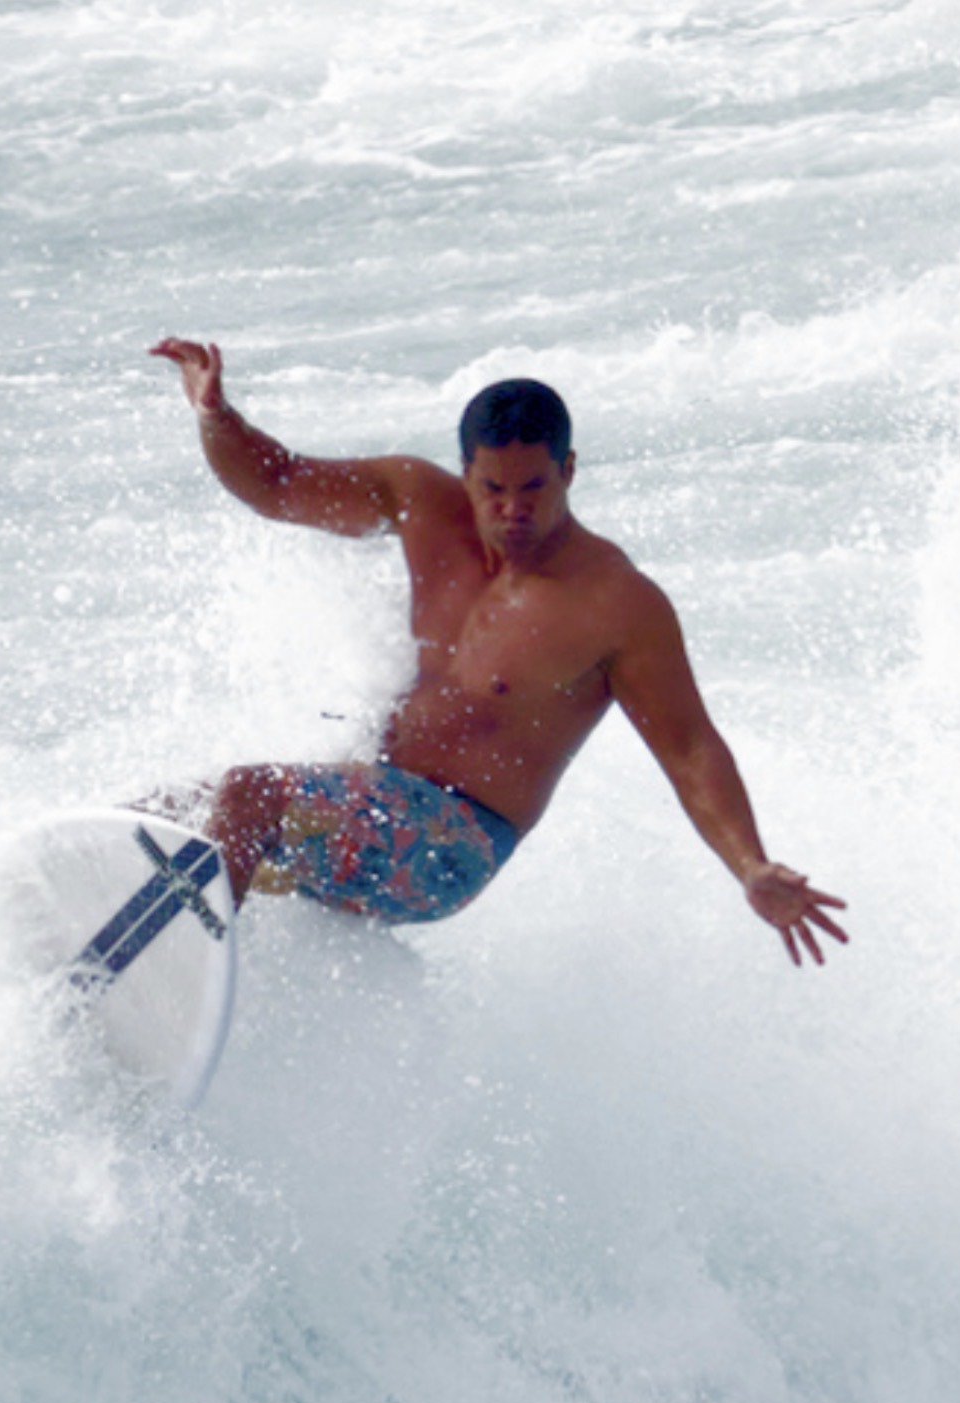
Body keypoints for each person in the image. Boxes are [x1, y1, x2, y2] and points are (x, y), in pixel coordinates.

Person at [148, 338, 848, 966]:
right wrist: (216, 417)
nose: (513, 509)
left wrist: (750, 865)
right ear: (465, 472)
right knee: (155, 817)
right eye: (493, 489)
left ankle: (178, 979)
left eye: (533, 488)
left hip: (454, 845)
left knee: (248, 796)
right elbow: (275, 482)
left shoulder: (617, 603)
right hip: (373, 797)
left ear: (568, 470)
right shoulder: (418, 501)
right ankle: (111, 965)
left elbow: (691, 749)